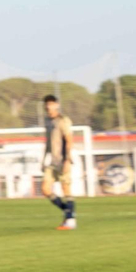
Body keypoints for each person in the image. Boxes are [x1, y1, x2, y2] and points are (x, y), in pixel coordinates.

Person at [42, 95, 77, 229]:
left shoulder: (63, 120)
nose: (48, 107)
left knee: (65, 188)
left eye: (51, 104)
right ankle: (69, 213)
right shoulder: (48, 121)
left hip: (63, 160)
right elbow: (48, 142)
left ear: (56, 105)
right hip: (51, 161)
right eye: (46, 104)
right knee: (45, 189)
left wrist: (68, 160)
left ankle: (70, 221)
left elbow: (69, 140)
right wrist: (43, 159)